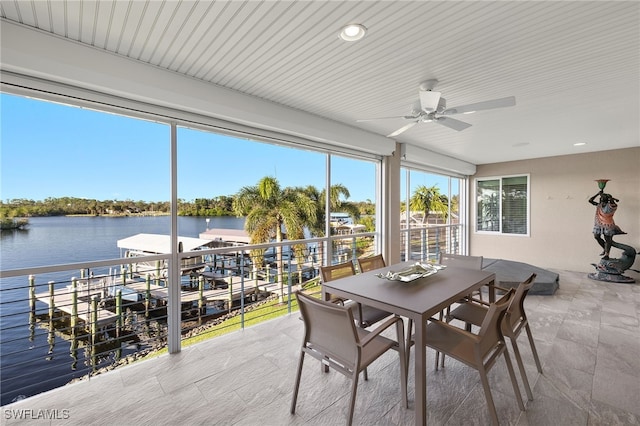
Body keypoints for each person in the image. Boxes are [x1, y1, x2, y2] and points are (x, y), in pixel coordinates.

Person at [589, 190, 626, 259]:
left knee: (607, 239)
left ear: (607, 200)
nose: (601, 199)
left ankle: (607, 254)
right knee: (596, 236)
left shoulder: (611, 206)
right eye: (600, 198)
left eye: (602, 198)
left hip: (608, 225)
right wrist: (597, 194)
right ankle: (605, 248)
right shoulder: (599, 205)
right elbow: (590, 200)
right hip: (598, 224)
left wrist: (610, 198)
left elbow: (613, 203)